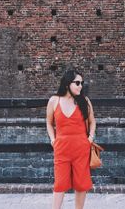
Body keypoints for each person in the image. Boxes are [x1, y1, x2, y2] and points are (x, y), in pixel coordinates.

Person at [46, 69, 96, 209]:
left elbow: (92, 122)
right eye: (78, 83)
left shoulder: (84, 101)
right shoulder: (54, 101)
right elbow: (49, 123)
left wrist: (90, 138)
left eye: (82, 83)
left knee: (81, 184)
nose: (81, 86)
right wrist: (52, 140)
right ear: (68, 84)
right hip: (61, 147)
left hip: (81, 147)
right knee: (60, 184)